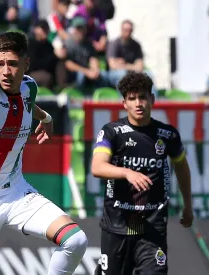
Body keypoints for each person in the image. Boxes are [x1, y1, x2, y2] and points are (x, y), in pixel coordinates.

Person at [0, 4, 88, 275]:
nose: (6, 71)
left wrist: (45, 118)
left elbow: (27, 103)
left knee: (75, 240)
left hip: (14, 191)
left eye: (12, 64)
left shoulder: (29, 86)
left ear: (25, 64)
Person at [90, 72, 193, 275]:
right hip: (117, 226)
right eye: (132, 98)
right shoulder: (112, 132)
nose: (138, 103)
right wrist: (127, 173)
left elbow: (182, 168)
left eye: (143, 97)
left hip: (152, 228)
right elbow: (97, 167)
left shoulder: (168, 135)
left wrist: (188, 205)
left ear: (152, 100)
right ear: (124, 103)